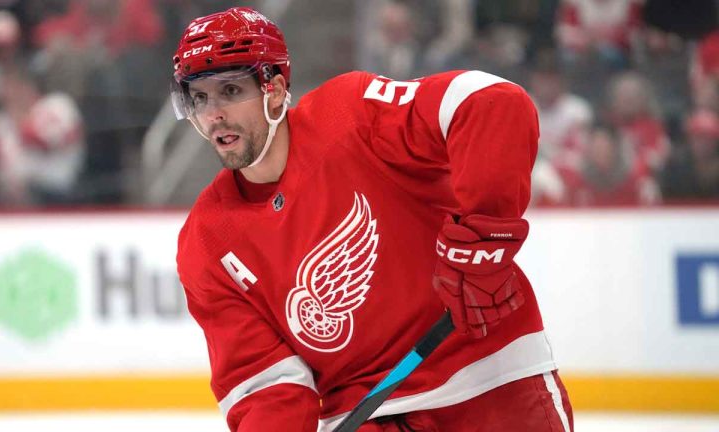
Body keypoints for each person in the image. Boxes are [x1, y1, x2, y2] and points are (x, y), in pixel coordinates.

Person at [173, 7, 573, 431]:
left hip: (491, 382)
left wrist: (483, 236)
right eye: (199, 98)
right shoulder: (206, 241)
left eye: (230, 91)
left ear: (273, 88)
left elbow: (491, 102)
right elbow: (265, 388)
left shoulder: (349, 116)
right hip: (365, 419)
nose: (213, 113)